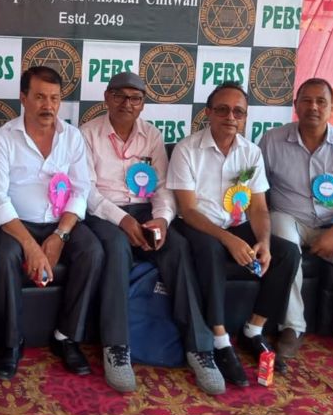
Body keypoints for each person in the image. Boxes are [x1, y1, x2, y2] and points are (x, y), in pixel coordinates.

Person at [81, 72, 226, 395]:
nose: (127, 103)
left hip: (146, 211)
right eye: (119, 96)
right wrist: (122, 220)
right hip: (105, 214)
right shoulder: (87, 134)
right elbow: (87, 192)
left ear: (143, 104)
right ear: (106, 98)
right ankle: (116, 347)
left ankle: (200, 348)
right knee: (116, 249)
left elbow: (162, 188)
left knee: (178, 247)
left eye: (135, 98)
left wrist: (161, 220)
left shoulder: (152, 135)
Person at [169, 82, 301, 387]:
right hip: (197, 224)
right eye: (223, 110)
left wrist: (263, 242)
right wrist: (228, 239)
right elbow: (188, 209)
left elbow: (259, 208)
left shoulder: (251, 152)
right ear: (208, 113)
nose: (230, 117)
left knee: (287, 253)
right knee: (211, 249)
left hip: (235, 223)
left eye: (238, 112)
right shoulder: (187, 149)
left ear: (245, 117)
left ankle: (254, 329)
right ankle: (220, 340)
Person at [0, 65, 103, 380]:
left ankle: (67, 336)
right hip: (16, 223)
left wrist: (60, 235)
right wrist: (31, 246)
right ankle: (11, 342)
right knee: (5, 257)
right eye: (39, 97)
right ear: (23, 98)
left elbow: (80, 191)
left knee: (93, 252)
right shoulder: (2, 139)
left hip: (60, 221)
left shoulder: (72, 137)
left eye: (54, 98)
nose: (48, 106)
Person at [259, 78, 333, 365]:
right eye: (307, 100)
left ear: (332, 108)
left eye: (321, 101)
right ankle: (292, 327)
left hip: (331, 222)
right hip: (288, 217)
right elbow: (258, 189)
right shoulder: (272, 140)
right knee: (285, 246)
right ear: (296, 105)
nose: (313, 107)